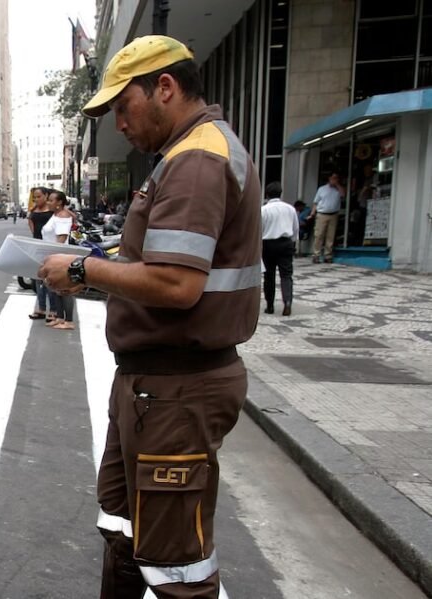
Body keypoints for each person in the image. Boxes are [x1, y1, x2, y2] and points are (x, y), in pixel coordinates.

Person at [39, 35, 261, 599]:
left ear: (165, 87)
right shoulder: (181, 157)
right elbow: (153, 264)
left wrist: (86, 272)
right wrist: (100, 266)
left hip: (177, 389)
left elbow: (175, 282)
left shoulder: (195, 160)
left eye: (122, 106)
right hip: (151, 385)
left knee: (175, 566)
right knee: (124, 526)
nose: (119, 124)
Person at [41, 190, 77, 330]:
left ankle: (68, 321)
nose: (48, 202)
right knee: (56, 288)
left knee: (65, 289)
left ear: (59, 202)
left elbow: (61, 240)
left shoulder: (62, 216)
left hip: (60, 256)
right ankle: (60, 318)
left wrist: (55, 258)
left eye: (51, 200)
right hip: (53, 255)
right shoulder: (57, 214)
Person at [261, 182, 298, 316]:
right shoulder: (290, 209)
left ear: (267, 194)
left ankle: (269, 305)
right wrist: (293, 243)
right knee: (286, 275)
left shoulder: (264, 210)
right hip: (285, 243)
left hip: (268, 244)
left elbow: (260, 229)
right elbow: (295, 228)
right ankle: (287, 302)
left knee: (269, 275)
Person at [27, 187, 57, 324]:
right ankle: (41, 308)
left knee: (49, 279)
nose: (36, 199)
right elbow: (32, 227)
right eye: (35, 197)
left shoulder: (53, 211)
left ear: (46, 196)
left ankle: (53, 310)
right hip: (37, 246)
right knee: (38, 279)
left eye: (39, 196)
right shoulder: (33, 211)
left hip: (50, 247)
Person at [308, 172, 344, 263]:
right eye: (333, 178)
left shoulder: (338, 189)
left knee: (330, 236)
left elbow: (343, 194)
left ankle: (328, 255)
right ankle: (316, 254)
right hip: (322, 214)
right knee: (319, 235)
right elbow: (315, 202)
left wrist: (337, 185)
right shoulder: (322, 189)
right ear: (329, 178)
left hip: (333, 214)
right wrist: (312, 213)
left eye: (336, 178)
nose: (334, 180)